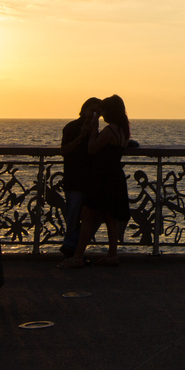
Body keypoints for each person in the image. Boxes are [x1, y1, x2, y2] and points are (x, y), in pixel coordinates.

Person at [58, 94, 132, 268]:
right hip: (115, 177)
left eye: (104, 110)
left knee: (88, 215)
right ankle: (112, 255)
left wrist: (93, 131)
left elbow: (92, 149)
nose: (101, 114)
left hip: (103, 179)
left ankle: (76, 256)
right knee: (110, 218)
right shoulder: (123, 130)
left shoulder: (109, 130)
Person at [59, 97, 102, 258]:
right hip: (75, 180)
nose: (94, 114)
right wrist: (81, 137)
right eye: (92, 110)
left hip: (91, 181)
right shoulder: (71, 127)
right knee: (73, 219)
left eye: (98, 111)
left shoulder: (96, 129)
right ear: (84, 110)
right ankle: (71, 255)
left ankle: (71, 248)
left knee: (96, 216)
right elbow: (64, 151)